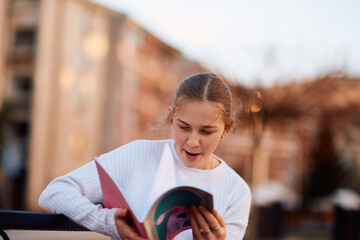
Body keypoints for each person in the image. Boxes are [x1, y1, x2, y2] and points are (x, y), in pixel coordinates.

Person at [39, 73, 251, 240]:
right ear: (171, 117)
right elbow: (55, 192)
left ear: (226, 128)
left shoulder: (236, 191)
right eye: (183, 127)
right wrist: (108, 222)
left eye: (206, 132)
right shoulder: (138, 154)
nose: (192, 141)